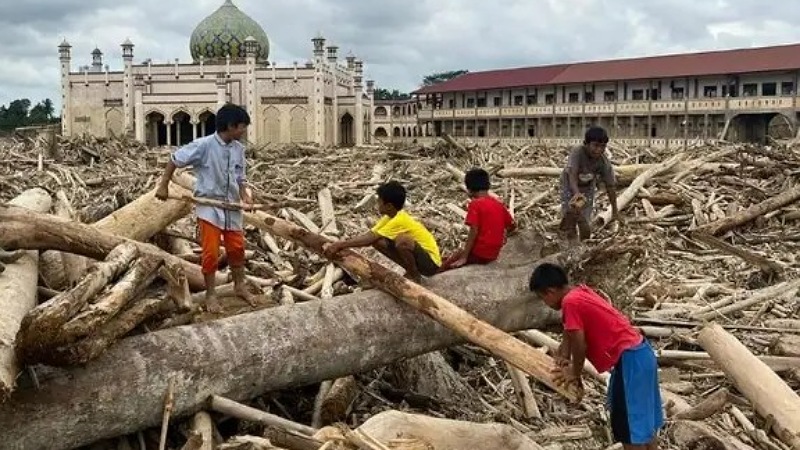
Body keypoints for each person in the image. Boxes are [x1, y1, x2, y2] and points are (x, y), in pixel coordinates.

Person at [529, 263, 663, 450]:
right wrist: (564, 352)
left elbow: (580, 343)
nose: (546, 303)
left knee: (629, 429)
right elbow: (570, 328)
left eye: (543, 298)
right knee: (643, 422)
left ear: (550, 291)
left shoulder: (570, 303)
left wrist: (574, 372)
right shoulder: (579, 293)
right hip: (641, 354)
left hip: (630, 361)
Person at [155, 103, 255, 312]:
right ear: (230, 126)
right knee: (210, 252)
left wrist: (245, 195)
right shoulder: (203, 146)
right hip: (210, 206)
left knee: (237, 248)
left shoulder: (238, 149)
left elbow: (240, 176)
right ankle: (211, 294)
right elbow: (174, 160)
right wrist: (163, 185)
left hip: (231, 205)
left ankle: (239, 286)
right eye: (242, 127)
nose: (244, 131)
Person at [323, 180, 441, 282]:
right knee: (378, 241)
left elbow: (368, 240)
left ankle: (415, 276)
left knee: (402, 241)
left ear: (389, 206)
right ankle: (410, 270)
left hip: (431, 264)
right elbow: (370, 235)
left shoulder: (400, 220)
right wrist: (341, 244)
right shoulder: (389, 218)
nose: (377, 204)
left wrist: (339, 245)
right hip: (420, 259)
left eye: (379, 201)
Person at [440, 168, 516, 271]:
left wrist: (464, 257)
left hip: (481, 253)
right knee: (451, 256)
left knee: (453, 259)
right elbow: (513, 225)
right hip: (494, 253)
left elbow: (474, 231)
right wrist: (503, 236)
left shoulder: (475, 204)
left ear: (470, 188)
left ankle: (432, 276)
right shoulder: (498, 204)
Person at [560, 126, 620, 242]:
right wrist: (576, 193)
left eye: (602, 146)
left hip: (587, 186)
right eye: (595, 145)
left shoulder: (603, 162)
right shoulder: (578, 152)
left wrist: (615, 210)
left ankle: (583, 242)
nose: (598, 150)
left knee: (585, 217)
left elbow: (610, 186)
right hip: (569, 183)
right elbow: (572, 174)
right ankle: (567, 239)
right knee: (570, 212)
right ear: (586, 144)